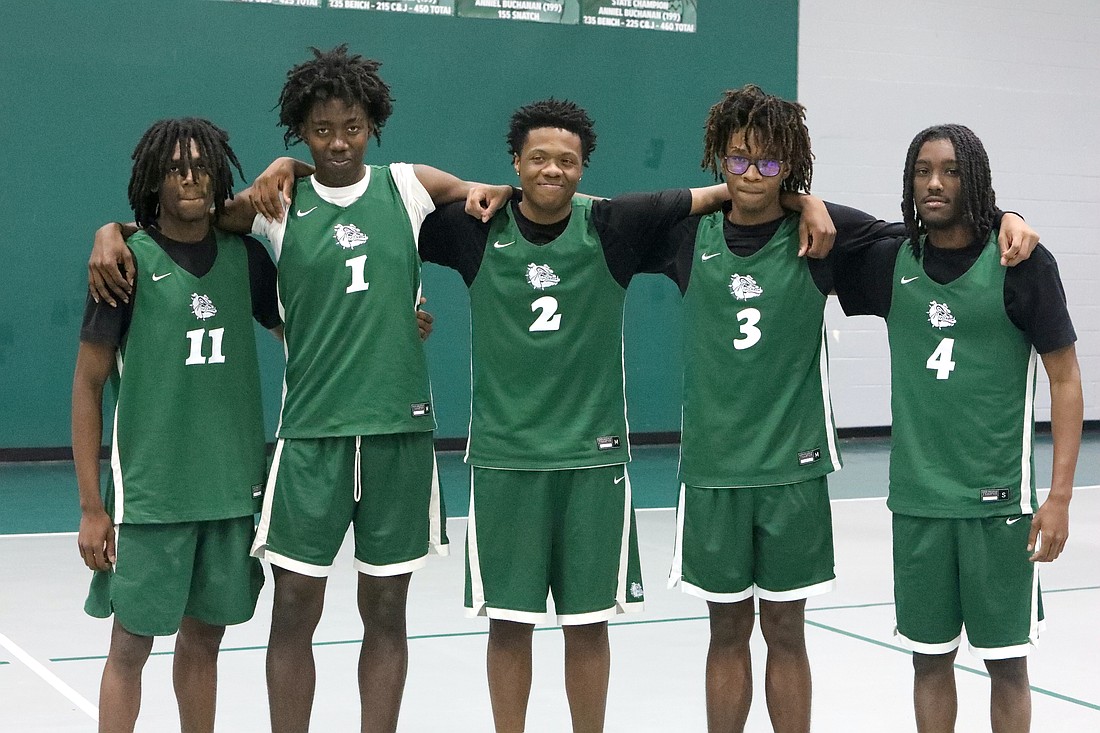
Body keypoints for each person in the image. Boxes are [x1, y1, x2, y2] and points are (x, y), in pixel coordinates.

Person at [87, 45, 511, 733]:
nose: (338, 141)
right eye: (321, 130)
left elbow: (478, 192)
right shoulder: (275, 206)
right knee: (292, 610)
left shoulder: (408, 185)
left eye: (352, 126)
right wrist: (112, 232)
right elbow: (184, 223)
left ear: (374, 124)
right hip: (310, 438)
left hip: (398, 434)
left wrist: (484, 191)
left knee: (386, 612)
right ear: (299, 132)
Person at [656, 86, 1041, 733]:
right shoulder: (687, 236)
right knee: (725, 630)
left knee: (786, 630)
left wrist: (1005, 215)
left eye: (769, 162)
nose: (752, 173)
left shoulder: (821, 238)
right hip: (713, 470)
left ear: (790, 165)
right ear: (720, 158)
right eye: (739, 158)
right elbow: (613, 217)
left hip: (794, 470)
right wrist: (779, 196)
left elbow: (927, 231)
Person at [834, 123, 1082, 733]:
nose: (935, 183)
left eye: (950, 171)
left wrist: (1058, 497)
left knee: (1007, 665)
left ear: (975, 180)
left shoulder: (1021, 262)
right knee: (928, 661)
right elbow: (828, 224)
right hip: (918, 503)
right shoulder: (892, 261)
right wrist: (808, 202)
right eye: (922, 171)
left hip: (998, 503)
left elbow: (1066, 378)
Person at [73, 117, 278, 733]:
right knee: (130, 646)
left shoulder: (247, 259)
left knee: (204, 641)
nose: (190, 179)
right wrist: (91, 508)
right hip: (152, 497)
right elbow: (86, 386)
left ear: (218, 175)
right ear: (153, 181)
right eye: (175, 168)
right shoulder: (123, 264)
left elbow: (307, 333)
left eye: (201, 166)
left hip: (230, 491)